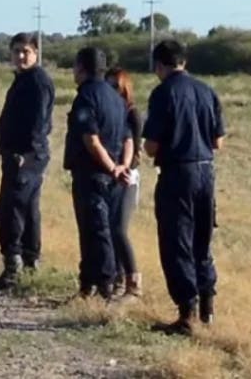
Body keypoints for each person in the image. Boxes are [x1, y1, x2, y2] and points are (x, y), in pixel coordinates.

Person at [143, 40, 225, 335]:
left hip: (178, 173)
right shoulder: (207, 90)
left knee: (176, 241)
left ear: (158, 65)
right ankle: (208, 309)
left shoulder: (163, 93)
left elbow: (151, 146)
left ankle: (186, 313)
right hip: (206, 171)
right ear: (184, 61)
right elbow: (218, 141)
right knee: (202, 241)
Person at [0, 33, 55, 292]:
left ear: (36, 53)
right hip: (19, 155)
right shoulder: (24, 79)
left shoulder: (37, 81)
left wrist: (26, 154)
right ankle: (28, 264)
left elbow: (39, 123)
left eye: (26, 51)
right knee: (27, 209)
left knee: (11, 210)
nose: (21, 56)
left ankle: (14, 268)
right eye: (17, 51)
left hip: (26, 157)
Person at [62, 48, 133, 300]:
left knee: (95, 231)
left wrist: (111, 167)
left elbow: (91, 139)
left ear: (81, 67)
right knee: (102, 229)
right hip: (114, 178)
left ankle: (104, 285)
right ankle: (89, 285)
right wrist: (123, 166)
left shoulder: (86, 96)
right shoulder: (115, 98)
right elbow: (128, 138)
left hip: (92, 174)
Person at [105, 67, 143, 298]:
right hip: (109, 174)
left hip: (127, 175)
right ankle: (116, 278)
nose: (111, 91)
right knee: (109, 229)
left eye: (115, 86)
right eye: (107, 85)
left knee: (119, 228)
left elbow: (135, 149)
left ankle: (133, 281)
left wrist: (124, 167)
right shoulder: (109, 111)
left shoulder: (132, 114)